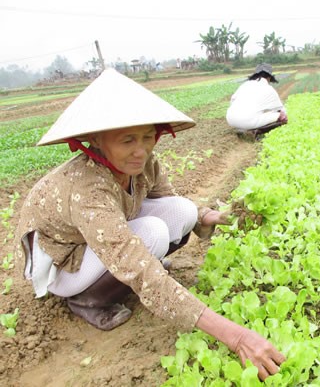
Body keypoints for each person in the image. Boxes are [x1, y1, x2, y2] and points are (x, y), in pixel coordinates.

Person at [13, 68, 285, 381]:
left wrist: (215, 217)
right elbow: (135, 263)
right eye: (127, 140)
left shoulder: (143, 163)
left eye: (147, 137)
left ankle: (117, 279)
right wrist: (238, 336)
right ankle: (86, 301)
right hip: (61, 264)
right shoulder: (87, 187)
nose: (140, 150)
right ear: (96, 141)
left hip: (97, 242)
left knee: (182, 211)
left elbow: (169, 201)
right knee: (150, 235)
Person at [226, 63, 288, 139]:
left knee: (252, 114)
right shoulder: (268, 88)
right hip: (247, 121)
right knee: (282, 117)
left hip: (230, 119)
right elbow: (281, 111)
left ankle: (242, 129)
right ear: (269, 77)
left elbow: (232, 101)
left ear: (256, 75)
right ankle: (255, 131)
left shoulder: (245, 84)